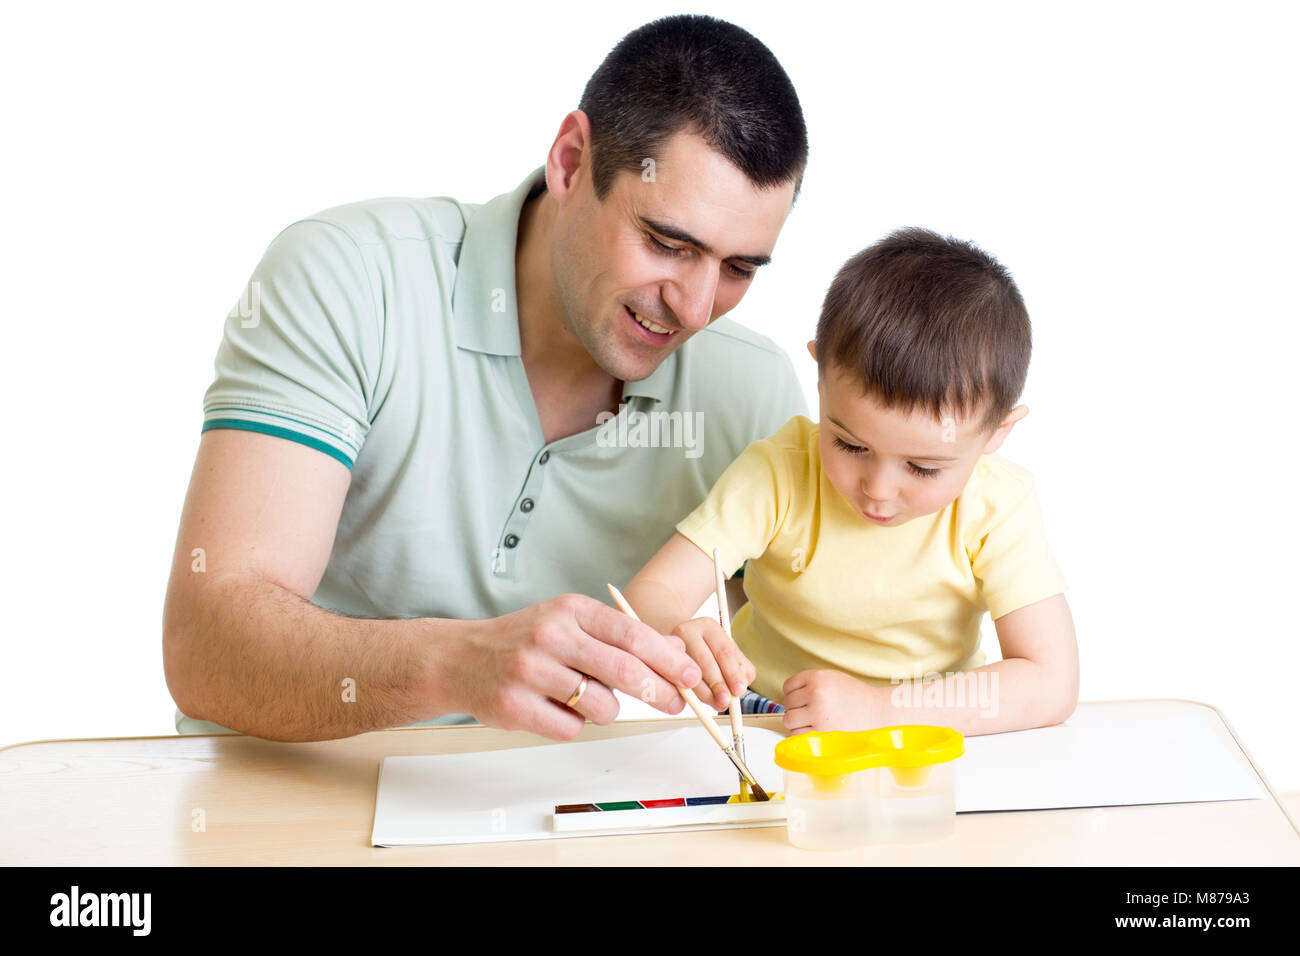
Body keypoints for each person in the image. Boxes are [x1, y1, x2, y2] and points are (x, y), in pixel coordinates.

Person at [162, 14, 809, 741]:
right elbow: (205, 648)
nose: (695, 308)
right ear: (570, 161)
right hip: (299, 823)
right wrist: (452, 665)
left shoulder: (752, 393)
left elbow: (821, 665)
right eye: (666, 243)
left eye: (739, 268)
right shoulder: (346, 278)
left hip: (563, 829)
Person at [621, 228, 1079, 737]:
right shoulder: (778, 473)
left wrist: (877, 710)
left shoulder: (997, 505)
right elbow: (651, 592)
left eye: (923, 468)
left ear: (997, 433)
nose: (878, 489)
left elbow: (1050, 682)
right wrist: (679, 632)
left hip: (932, 731)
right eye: (851, 445)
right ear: (820, 377)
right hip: (769, 727)